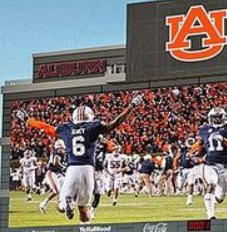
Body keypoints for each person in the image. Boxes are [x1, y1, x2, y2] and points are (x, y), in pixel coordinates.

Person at [28, 93, 143, 223]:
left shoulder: (66, 128)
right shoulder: (93, 126)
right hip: (88, 170)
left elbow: (45, 127)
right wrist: (132, 105)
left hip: (71, 169)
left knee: (60, 206)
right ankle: (84, 229)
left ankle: (66, 204)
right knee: (84, 209)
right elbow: (115, 123)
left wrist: (28, 120)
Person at [191, 107, 227, 220]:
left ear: (223, 118)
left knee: (220, 197)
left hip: (224, 165)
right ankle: (211, 215)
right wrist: (193, 154)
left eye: (219, 117)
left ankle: (214, 200)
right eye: (215, 117)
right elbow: (201, 146)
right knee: (211, 185)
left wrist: (224, 140)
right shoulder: (204, 129)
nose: (217, 120)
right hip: (210, 163)